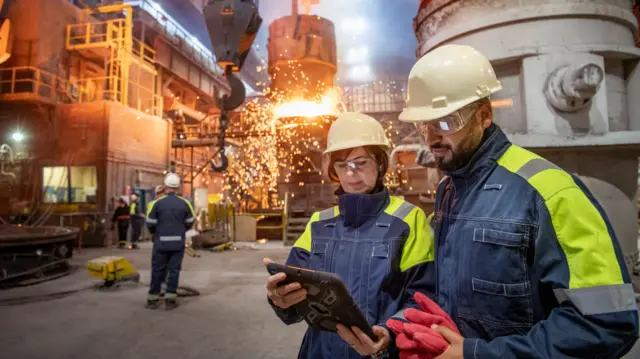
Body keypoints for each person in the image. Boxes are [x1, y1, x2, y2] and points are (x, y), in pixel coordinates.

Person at [387, 44, 639, 359]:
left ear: (484, 116)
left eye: (446, 122)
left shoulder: (549, 192)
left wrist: (476, 354)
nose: (432, 138)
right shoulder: (450, 190)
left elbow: (606, 325)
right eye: (423, 126)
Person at [264, 112, 436, 359]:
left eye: (361, 162)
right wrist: (279, 300)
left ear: (380, 163)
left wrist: (390, 333)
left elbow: (422, 297)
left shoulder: (408, 221)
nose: (351, 174)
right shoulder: (319, 224)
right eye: (342, 165)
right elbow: (295, 302)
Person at [145, 173, 196, 310]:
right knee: (173, 271)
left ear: (166, 187)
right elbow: (190, 221)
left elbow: (150, 223)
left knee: (157, 270)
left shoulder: (157, 203)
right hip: (177, 244)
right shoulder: (185, 203)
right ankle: (170, 300)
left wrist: (156, 234)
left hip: (160, 243)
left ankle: (152, 300)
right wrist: (181, 230)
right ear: (178, 188)